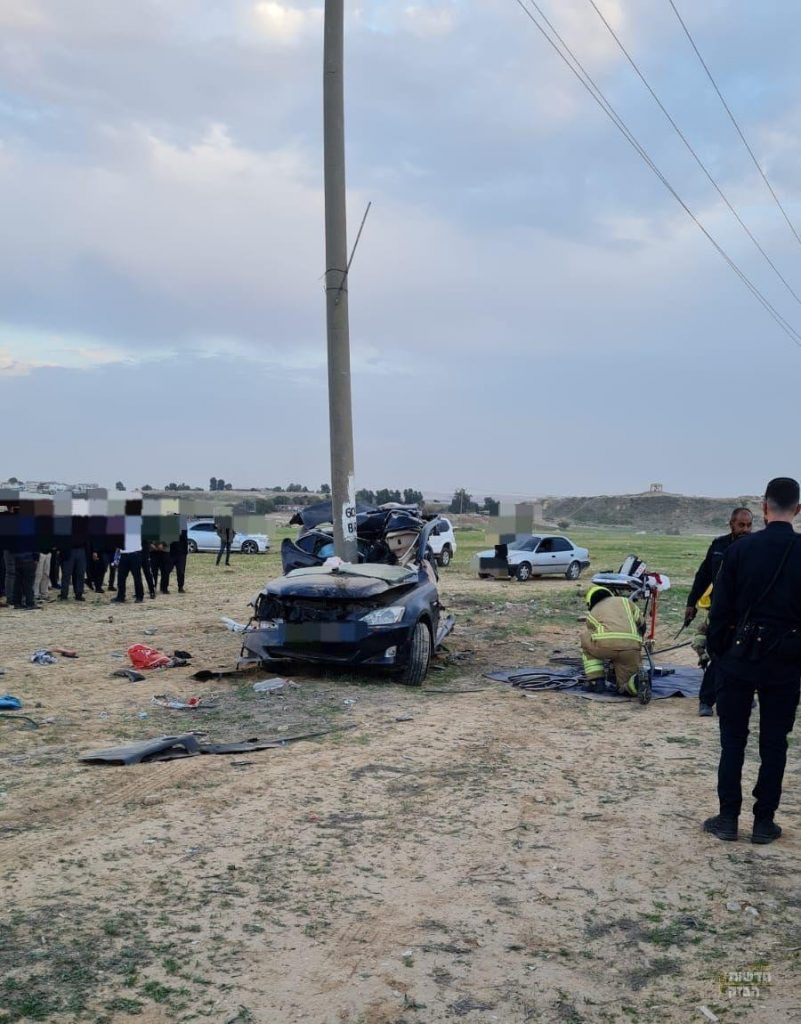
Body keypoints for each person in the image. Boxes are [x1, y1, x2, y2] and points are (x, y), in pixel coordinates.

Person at [703, 478, 801, 845]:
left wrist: (720, 654)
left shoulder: (740, 550)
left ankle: (728, 818)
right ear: (798, 510)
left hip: (739, 658)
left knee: (733, 741)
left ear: (763, 507)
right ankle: (764, 822)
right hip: (786, 664)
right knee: (774, 744)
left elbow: (719, 610)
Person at [685, 507, 754, 717]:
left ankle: (745, 696)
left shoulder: (756, 547)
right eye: (741, 525)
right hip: (720, 611)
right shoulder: (718, 546)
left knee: (746, 655)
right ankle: (706, 701)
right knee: (718, 654)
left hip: (746, 612)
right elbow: (703, 575)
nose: (745, 529)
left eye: (749, 525)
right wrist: (691, 603)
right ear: (731, 524)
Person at [580, 585, 645, 696]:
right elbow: (642, 624)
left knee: (586, 638)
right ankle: (634, 685)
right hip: (631, 648)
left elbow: (594, 635)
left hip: (605, 647)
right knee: (625, 685)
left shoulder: (593, 613)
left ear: (590, 602)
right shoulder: (626, 601)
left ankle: (596, 681)